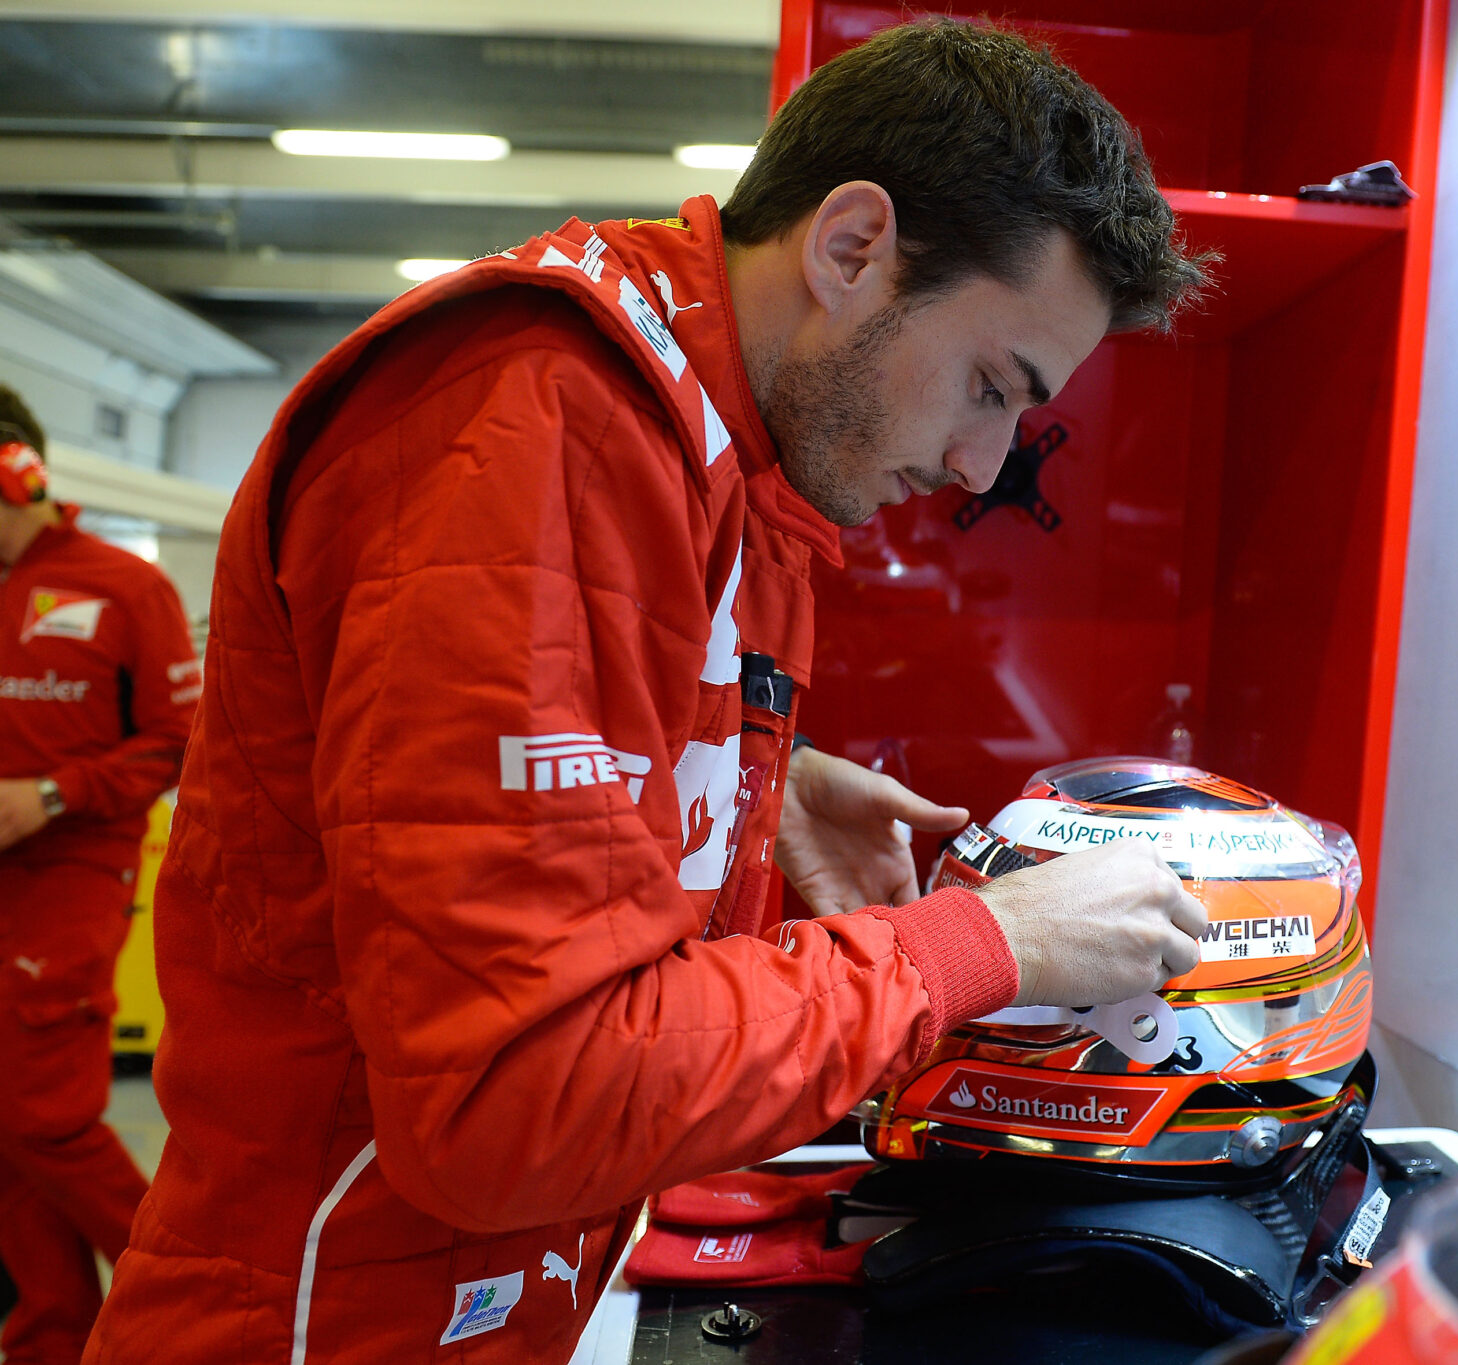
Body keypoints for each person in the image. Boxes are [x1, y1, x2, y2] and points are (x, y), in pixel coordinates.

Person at [87, 17, 1213, 1365]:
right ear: (852, 248)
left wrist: (740, 778)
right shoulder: (535, 417)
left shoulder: (728, 459)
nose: (983, 466)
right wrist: (981, 946)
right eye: (989, 385)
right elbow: (516, 1103)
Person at [0, 383, 199, 1365]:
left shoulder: (123, 587)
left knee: (41, 1117)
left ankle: (188, 1292)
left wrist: (50, 794)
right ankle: (51, 1340)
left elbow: (175, 743)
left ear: (19, 473)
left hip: (73, 876)